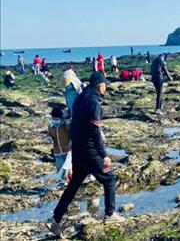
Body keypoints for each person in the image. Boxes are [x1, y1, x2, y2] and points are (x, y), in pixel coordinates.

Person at [47, 72, 125, 238]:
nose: (106, 87)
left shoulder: (81, 98)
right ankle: (110, 215)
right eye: (105, 84)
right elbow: (94, 129)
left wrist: (72, 144)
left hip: (79, 151)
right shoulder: (94, 101)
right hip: (90, 150)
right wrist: (103, 154)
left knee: (74, 185)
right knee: (109, 179)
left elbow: (75, 123)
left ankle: (55, 219)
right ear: (100, 85)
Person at [48, 107, 70, 173]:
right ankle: (62, 180)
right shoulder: (51, 125)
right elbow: (50, 134)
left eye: (56, 118)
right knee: (60, 168)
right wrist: (49, 138)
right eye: (53, 118)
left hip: (67, 150)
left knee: (68, 167)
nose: (54, 119)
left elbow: (69, 128)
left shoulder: (65, 124)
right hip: (57, 151)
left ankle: (70, 180)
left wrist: (67, 118)